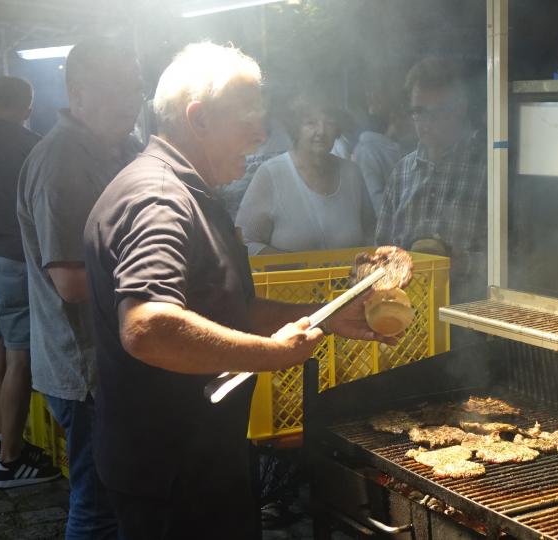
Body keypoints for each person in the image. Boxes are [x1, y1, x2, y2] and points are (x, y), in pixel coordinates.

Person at [83, 42, 400, 539]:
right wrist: (271, 355)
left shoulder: (186, 189)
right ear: (199, 118)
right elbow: (147, 327)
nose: (261, 133)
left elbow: (232, 307)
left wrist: (324, 315)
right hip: (171, 467)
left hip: (194, 456)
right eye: (249, 117)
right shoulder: (160, 199)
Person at [17, 37, 143, 537]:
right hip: (83, 369)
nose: (129, 101)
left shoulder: (122, 149)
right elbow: (71, 282)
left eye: (133, 88)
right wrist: (163, 276)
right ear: (77, 93)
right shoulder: (61, 160)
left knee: (120, 498)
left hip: (115, 360)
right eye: (112, 89)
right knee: (96, 506)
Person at [0, 75, 60, 488]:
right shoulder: (33, 148)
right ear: (28, 106)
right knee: (18, 359)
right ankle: (11, 462)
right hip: (14, 261)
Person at [375, 57, 487, 304]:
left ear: (461, 109)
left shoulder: (489, 171)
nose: (428, 122)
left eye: (440, 112)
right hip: (410, 316)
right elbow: (382, 250)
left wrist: (461, 263)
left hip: (471, 316)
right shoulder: (402, 172)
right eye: (419, 112)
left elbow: (518, 258)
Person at [236, 90, 375, 255]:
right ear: (296, 129)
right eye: (311, 123)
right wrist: (291, 266)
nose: (321, 131)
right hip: (289, 281)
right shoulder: (271, 174)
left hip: (350, 281)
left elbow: (371, 232)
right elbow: (244, 241)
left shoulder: (352, 173)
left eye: (329, 123)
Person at [352, 76, 413, 212]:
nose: (413, 122)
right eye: (408, 116)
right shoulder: (367, 151)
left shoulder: (407, 148)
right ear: (394, 116)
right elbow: (377, 205)